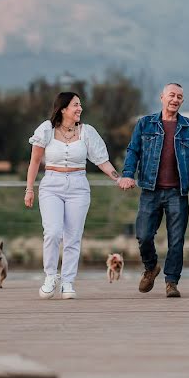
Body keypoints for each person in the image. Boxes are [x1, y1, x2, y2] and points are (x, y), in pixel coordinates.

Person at [118, 83, 189, 298]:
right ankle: (151, 267)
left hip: (177, 193)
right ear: (162, 97)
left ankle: (171, 282)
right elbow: (133, 150)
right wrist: (127, 174)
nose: (175, 99)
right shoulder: (145, 124)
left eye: (179, 96)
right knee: (143, 235)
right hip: (150, 190)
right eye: (172, 95)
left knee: (176, 240)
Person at [24, 92, 121, 300]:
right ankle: (50, 276)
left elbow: (102, 160)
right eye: (75, 105)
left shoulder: (87, 132)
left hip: (78, 186)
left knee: (73, 236)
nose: (80, 109)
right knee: (52, 232)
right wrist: (29, 189)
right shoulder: (46, 130)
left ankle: (67, 281)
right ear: (63, 109)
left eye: (80, 105)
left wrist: (118, 178)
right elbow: (34, 161)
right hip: (51, 184)